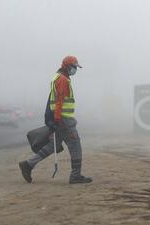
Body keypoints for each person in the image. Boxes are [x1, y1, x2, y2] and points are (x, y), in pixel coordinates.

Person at [19, 56, 93, 184]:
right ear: (67, 66)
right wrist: (57, 119)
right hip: (64, 120)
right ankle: (75, 175)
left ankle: (28, 164)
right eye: (74, 67)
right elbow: (59, 101)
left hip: (61, 119)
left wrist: (54, 119)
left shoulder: (58, 77)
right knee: (75, 145)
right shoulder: (63, 80)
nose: (75, 70)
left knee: (52, 145)